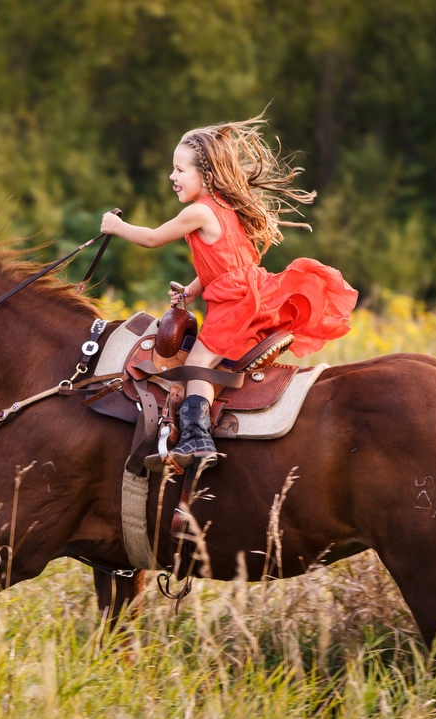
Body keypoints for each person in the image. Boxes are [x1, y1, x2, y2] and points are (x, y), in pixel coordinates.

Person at [100, 115, 358, 468]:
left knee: (197, 365)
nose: (172, 177)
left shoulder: (199, 212)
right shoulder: (225, 208)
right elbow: (226, 263)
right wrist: (193, 288)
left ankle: (197, 440)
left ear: (205, 176)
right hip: (250, 292)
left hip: (234, 304)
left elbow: (151, 238)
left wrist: (117, 226)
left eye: (179, 170)